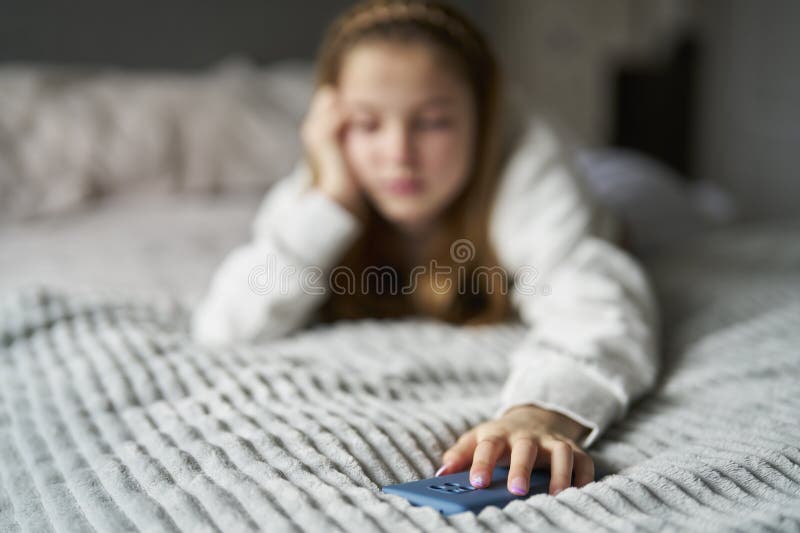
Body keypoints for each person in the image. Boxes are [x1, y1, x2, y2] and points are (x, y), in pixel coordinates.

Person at [192, 0, 660, 498]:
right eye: (367, 124)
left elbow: (596, 307)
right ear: (328, 124)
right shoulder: (327, 178)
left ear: (483, 117)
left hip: (604, 196)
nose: (398, 155)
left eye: (433, 122)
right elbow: (226, 325)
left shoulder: (529, 170)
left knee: (642, 192)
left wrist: (538, 413)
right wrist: (333, 199)